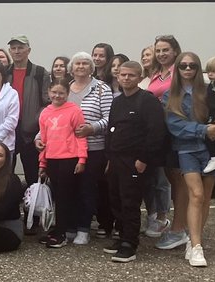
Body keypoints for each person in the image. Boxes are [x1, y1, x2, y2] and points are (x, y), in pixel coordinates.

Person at [159, 51, 215, 267]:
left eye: (192, 66)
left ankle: (194, 239)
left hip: (213, 150)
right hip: (187, 150)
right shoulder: (171, 95)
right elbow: (174, 126)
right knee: (195, 194)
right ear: (177, 69)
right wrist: (204, 130)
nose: (188, 69)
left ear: (198, 69)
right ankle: (196, 247)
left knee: (205, 197)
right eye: (183, 66)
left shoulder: (211, 92)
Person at [105, 61, 167, 263]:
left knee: (130, 202)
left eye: (131, 75)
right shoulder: (117, 101)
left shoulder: (147, 101)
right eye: (122, 75)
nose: (126, 78)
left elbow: (156, 133)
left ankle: (129, 244)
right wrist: (108, 158)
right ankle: (122, 236)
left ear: (140, 77)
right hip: (115, 160)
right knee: (116, 200)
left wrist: (143, 159)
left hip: (135, 160)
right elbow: (111, 130)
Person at [59, 52, 113, 244]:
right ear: (71, 68)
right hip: (66, 149)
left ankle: (84, 228)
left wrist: (93, 128)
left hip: (93, 148)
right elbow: (53, 114)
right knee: (69, 189)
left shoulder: (101, 89)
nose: (80, 67)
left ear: (91, 68)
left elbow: (110, 118)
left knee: (87, 189)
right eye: (77, 64)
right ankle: (70, 226)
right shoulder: (65, 88)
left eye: (85, 64)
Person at [37, 81, 87, 248]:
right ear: (49, 92)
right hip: (52, 159)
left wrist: (82, 159)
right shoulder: (45, 113)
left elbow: (81, 136)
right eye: (54, 92)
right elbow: (44, 140)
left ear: (67, 94)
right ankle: (59, 229)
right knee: (57, 196)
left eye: (61, 93)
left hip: (69, 159)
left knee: (65, 196)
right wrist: (42, 163)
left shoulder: (74, 110)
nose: (57, 96)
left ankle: (62, 233)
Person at [144, 35, 181, 238]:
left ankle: (165, 218)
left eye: (165, 50)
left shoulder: (179, 72)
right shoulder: (157, 74)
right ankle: (157, 216)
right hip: (157, 130)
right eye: (158, 51)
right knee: (155, 175)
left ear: (175, 51)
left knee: (167, 179)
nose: (161, 54)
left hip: (173, 129)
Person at [7, 35, 50, 191]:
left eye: (21, 48)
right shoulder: (5, 72)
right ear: (10, 51)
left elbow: (47, 102)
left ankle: (34, 213)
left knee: (33, 176)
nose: (17, 51)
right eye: (13, 48)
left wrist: (36, 122)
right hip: (9, 130)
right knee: (5, 176)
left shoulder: (40, 73)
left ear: (28, 50)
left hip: (31, 132)